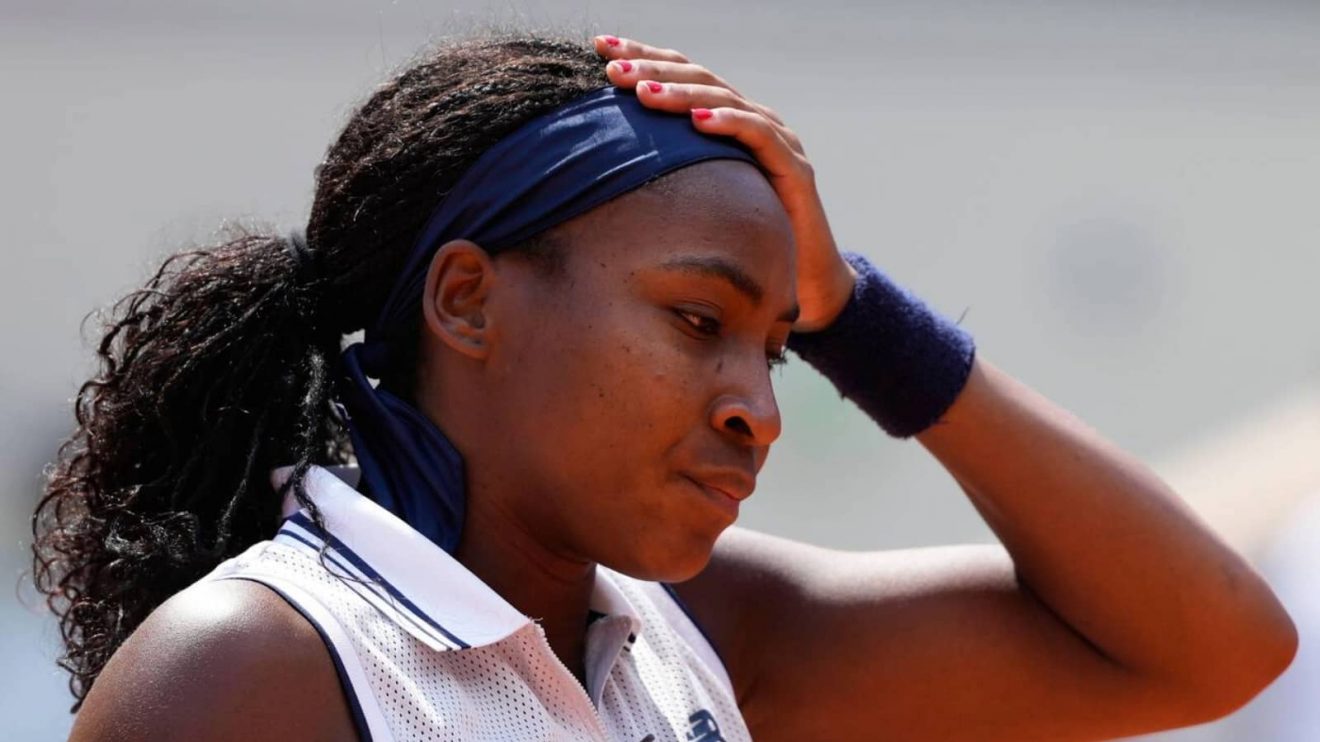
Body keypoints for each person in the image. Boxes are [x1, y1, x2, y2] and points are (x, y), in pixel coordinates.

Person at [31, 32, 1296, 742]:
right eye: (698, 320)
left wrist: (860, 314)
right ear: (467, 299)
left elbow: (1210, 647)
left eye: (778, 342)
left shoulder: (693, 632)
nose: (757, 405)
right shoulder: (256, 667)